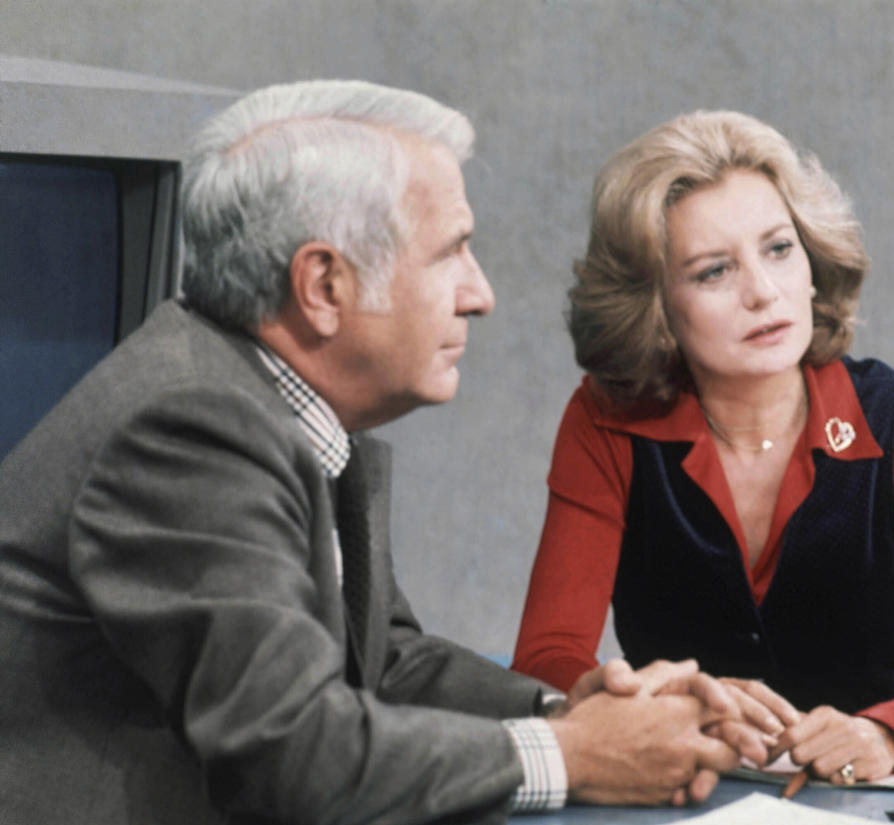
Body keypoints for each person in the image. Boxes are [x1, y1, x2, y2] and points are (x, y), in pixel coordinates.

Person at [0, 81, 771, 825]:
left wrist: (570, 708)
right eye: (451, 254)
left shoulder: (283, 405)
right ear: (324, 285)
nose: (481, 293)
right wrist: (570, 755)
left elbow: (387, 661)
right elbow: (286, 751)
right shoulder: (189, 428)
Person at [512, 110, 894, 784]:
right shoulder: (606, 425)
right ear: (657, 306)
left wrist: (885, 733)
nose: (763, 291)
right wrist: (665, 703)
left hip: (864, 800)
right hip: (683, 793)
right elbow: (545, 661)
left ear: (811, 262)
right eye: (714, 271)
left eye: (778, 248)